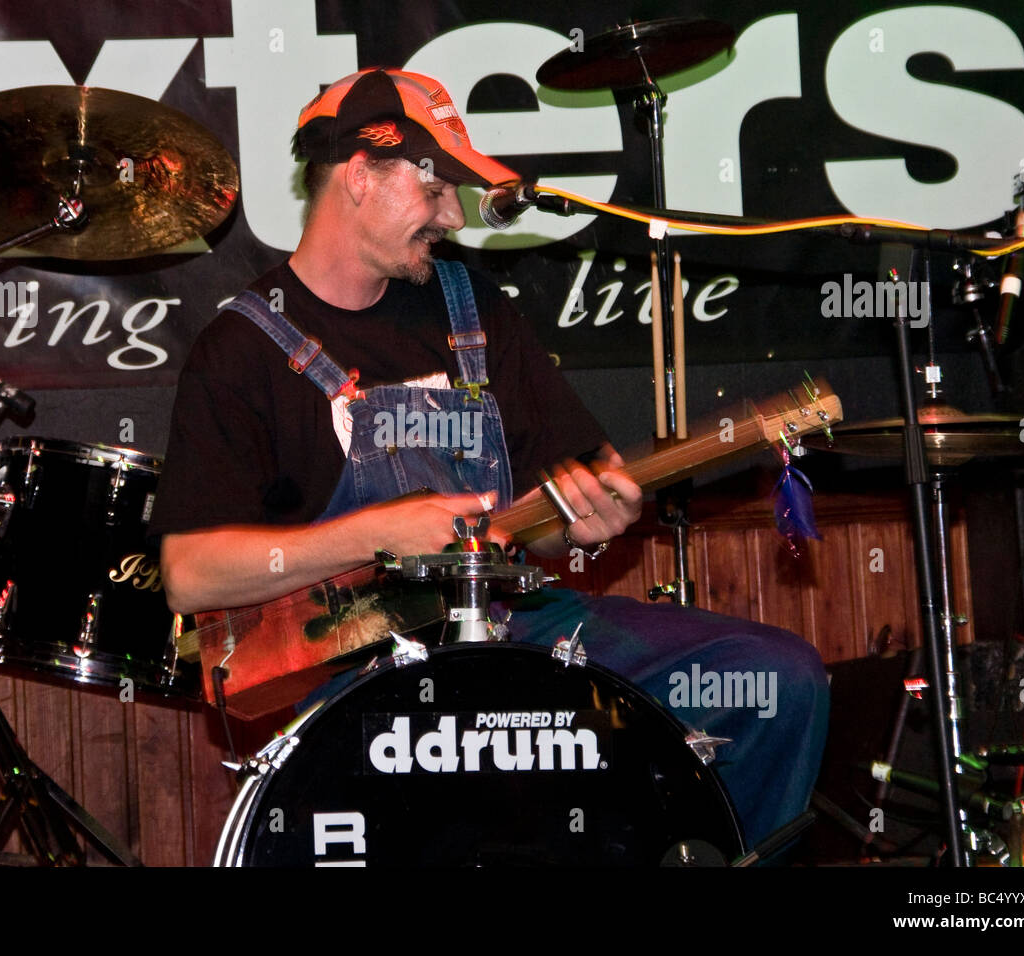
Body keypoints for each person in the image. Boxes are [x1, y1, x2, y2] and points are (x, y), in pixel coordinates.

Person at [151, 67, 828, 851]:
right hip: (358, 670)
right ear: (361, 175)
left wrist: (584, 523)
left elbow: (547, 518)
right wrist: (378, 536)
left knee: (780, 683)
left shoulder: (473, 308)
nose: (452, 212)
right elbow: (190, 574)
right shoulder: (242, 347)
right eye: (435, 188)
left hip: (524, 634)